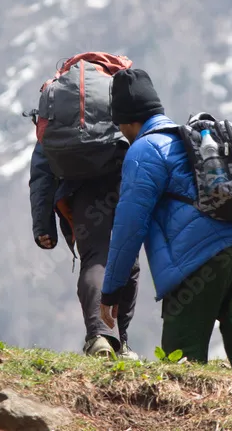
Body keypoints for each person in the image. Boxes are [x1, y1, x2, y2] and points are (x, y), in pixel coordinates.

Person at [98, 68, 232, 371]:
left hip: (199, 262)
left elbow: (129, 226)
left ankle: (183, 416)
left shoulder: (145, 149)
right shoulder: (204, 141)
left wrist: (111, 291)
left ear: (127, 121)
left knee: (182, 361)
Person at [29, 142, 140, 359]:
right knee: (128, 261)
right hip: (124, 179)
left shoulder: (56, 110)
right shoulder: (114, 108)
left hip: (79, 190)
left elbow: (42, 168)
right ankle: (120, 342)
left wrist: (43, 224)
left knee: (95, 259)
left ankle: (101, 337)